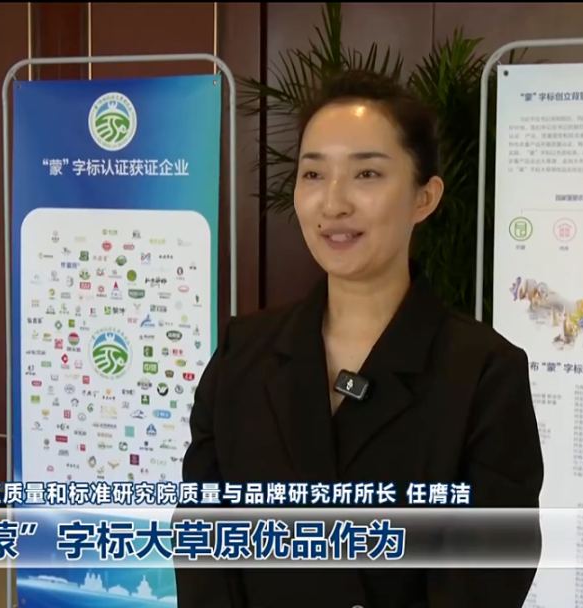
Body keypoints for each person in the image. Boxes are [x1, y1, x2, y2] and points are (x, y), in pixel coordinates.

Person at [175, 69, 543, 608]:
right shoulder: (242, 352)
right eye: (313, 174)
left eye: (367, 173)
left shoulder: (484, 373)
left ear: (424, 197)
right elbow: (203, 542)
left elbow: (485, 576)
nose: (333, 204)